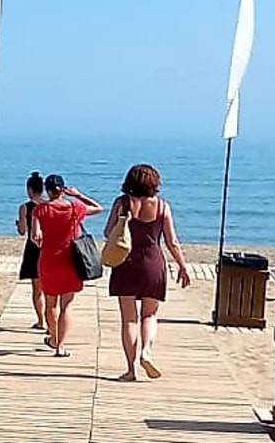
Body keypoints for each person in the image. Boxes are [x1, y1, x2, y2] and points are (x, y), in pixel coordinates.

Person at [106, 162, 190, 380]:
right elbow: (172, 242)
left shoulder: (121, 203)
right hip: (153, 262)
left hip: (126, 262)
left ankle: (130, 370)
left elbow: (108, 232)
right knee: (149, 314)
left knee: (129, 319)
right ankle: (146, 352)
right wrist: (182, 265)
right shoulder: (162, 206)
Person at [30, 174, 103, 356]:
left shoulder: (40, 210)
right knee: (66, 306)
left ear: (47, 190)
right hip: (70, 260)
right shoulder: (75, 207)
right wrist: (78, 195)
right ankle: (60, 346)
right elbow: (98, 208)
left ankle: (53, 338)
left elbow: (35, 236)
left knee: (51, 304)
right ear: (63, 190)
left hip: (48, 260)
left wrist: (43, 242)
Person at [15, 173, 48, 331]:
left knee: (37, 288)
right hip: (49, 246)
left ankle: (41, 320)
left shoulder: (25, 207)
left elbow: (22, 231)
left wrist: (18, 225)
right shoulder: (49, 205)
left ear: (29, 189)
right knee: (50, 289)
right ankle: (51, 321)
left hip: (33, 248)